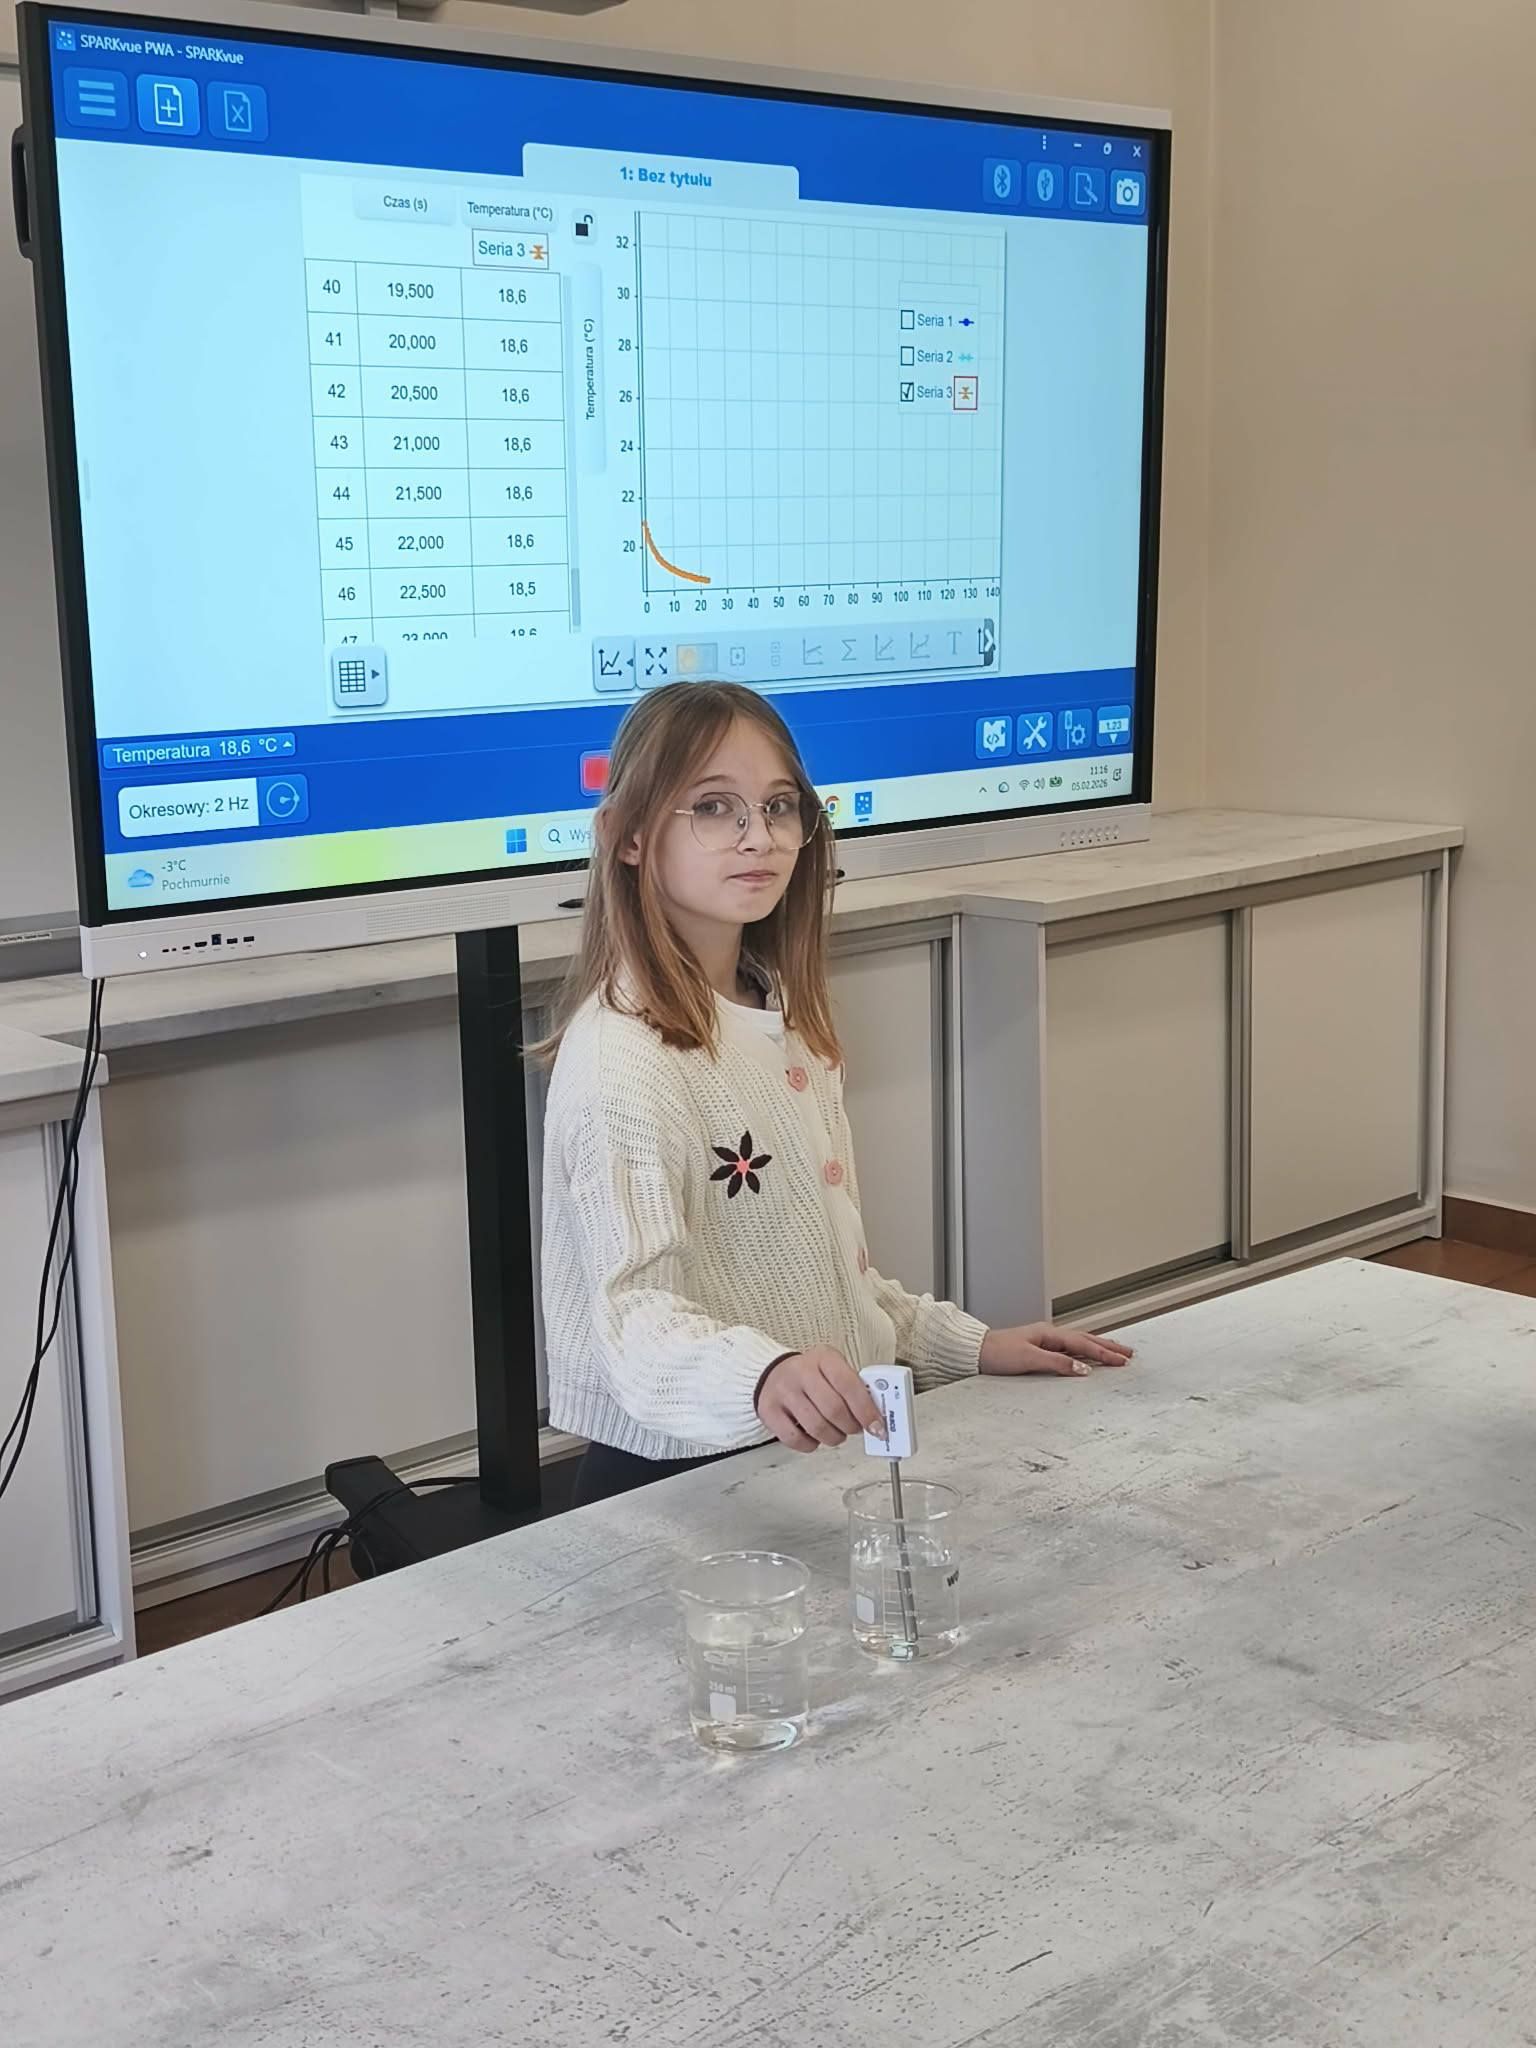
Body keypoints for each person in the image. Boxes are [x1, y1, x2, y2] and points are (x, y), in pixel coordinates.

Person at [539, 681, 1132, 1507]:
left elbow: (828, 1288)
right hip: (680, 1481)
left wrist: (972, 1346)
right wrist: (765, 1375)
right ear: (628, 837)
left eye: (779, 806)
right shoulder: (623, 1060)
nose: (759, 837)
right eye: (714, 808)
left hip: (806, 1455)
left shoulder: (779, 1016)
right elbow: (633, 1318)